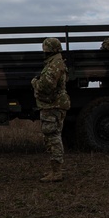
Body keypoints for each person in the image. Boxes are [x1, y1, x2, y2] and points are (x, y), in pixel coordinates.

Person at [31, 37, 70, 182]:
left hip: (52, 105)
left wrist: (35, 82)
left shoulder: (54, 65)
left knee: (53, 137)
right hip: (54, 104)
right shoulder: (56, 62)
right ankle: (55, 170)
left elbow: (46, 86)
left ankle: (57, 172)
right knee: (53, 137)